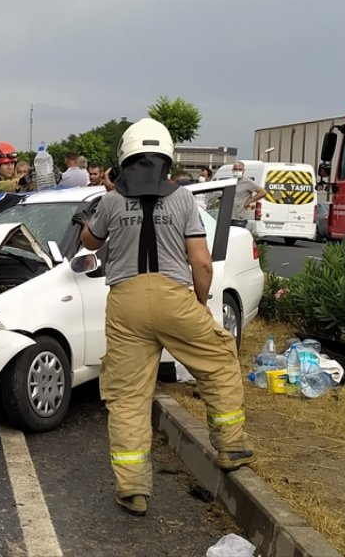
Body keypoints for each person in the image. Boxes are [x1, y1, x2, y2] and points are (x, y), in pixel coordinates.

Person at [75, 118, 251, 517]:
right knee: (220, 359)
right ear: (167, 160)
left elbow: (89, 242)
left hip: (125, 304)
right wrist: (201, 304)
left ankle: (133, 489)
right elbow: (201, 263)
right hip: (175, 298)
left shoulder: (112, 201)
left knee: (128, 397)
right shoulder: (183, 199)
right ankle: (230, 446)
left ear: (124, 158)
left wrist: (98, 208)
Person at [230, 161, 267, 228]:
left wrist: (249, 201)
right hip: (228, 216)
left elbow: (263, 192)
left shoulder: (247, 182)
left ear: (243, 171)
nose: (237, 171)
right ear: (232, 170)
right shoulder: (230, 181)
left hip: (239, 217)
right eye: (236, 169)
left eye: (240, 169)